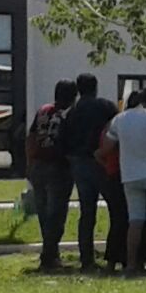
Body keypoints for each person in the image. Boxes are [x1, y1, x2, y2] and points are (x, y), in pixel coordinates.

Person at [100, 86, 146, 275]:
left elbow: (107, 147)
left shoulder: (120, 119)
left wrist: (99, 159)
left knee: (135, 221)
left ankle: (132, 264)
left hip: (131, 175)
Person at [60, 73, 118, 272]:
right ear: (95, 87)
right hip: (101, 161)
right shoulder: (106, 107)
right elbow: (116, 132)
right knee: (115, 208)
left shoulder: (72, 112)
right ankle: (115, 254)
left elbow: (64, 138)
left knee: (87, 212)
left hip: (78, 162)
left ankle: (86, 258)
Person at [27, 78, 77, 271]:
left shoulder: (43, 111)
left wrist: (29, 164)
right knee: (56, 214)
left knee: (44, 213)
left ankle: (51, 253)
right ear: (73, 96)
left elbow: (30, 137)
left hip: (38, 165)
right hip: (58, 167)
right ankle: (49, 256)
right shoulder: (69, 115)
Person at [100, 90, 137, 272]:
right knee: (126, 219)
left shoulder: (114, 123)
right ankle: (123, 259)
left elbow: (102, 151)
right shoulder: (128, 125)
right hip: (125, 174)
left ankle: (114, 260)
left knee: (118, 219)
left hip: (113, 173)